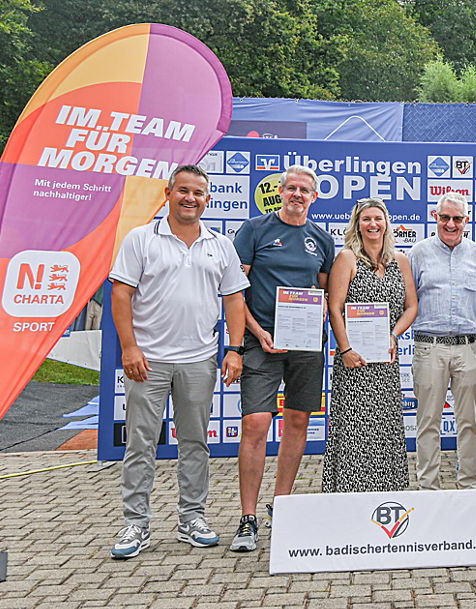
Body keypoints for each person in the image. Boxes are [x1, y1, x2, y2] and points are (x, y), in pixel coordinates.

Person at [107, 164, 249, 558]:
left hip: (199, 361)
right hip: (147, 360)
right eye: (183, 190)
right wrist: (130, 348)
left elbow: (234, 299)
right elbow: (121, 294)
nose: (190, 198)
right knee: (140, 443)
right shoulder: (140, 238)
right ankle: (136, 524)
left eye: (198, 193)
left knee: (195, 444)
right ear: (168, 194)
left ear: (208, 199)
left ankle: (192, 519)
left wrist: (234, 349)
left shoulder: (221, 244)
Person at [230, 165, 334, 552]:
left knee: (298, 420)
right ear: (281, 191)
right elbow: (236, 291)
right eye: (291, 188)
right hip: (261, 341)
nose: (297, 195)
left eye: (304, 190)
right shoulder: (254, 230)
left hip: (306, 345)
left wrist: (319, 314)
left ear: (314, 197)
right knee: (256, 423)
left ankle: (283, 506)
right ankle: (248, 517)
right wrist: (258, 333)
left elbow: (324, 293)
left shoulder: (321, 239)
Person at [323, 198, 417, 493]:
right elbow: (335, 308)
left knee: (384, 426)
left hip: (386, 359)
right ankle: (351, 491)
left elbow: (412, 307)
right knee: (355, 427)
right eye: (366, 219)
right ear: (357, 224)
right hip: (355, 360)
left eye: (378, 218)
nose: (373, 224)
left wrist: (394, 335)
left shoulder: (400, 260)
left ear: (386, 223)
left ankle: (386, 490)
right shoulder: (347, 258)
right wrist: (345, 350)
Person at [410, 192, 476, 490]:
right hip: (429, 347)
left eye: (457, 218)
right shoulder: (418, 253)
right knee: (427, 422)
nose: (451, 224)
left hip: (469, 347)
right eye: (445, 217)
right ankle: (428, 488)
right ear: (436, 217)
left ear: (467, 220)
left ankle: (468, 486)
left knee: (470, 422)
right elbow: (410, 301)